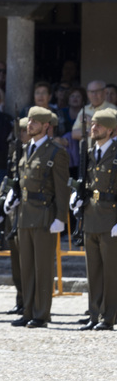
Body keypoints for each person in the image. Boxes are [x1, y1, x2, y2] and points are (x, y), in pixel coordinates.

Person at [6, 106, 69, 328]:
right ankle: (28, 310)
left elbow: (62, 188)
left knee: (42, 268)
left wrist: (61, 217)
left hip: (44, 215)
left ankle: (41, 314)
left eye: (35, 122)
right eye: (29, 121)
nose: (29, 125)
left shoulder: (55, 152)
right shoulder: (25, 149)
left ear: (46, 126)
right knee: (27, 267)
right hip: (24, 214)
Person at [77, 108, 117, 330]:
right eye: (93, 124)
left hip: (110, 218)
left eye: (99, 125)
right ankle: (94, 314)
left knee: (111, 271)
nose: (94, 128)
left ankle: (109, 317)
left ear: (110, 130)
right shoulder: (91, 152)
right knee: (93, 270)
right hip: (91, 216)